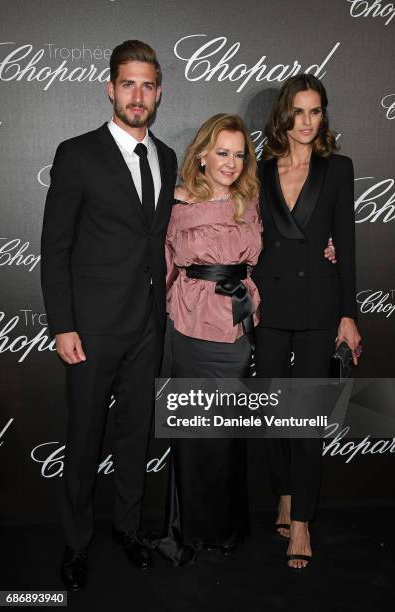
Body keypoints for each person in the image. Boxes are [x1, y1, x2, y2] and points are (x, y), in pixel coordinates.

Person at [40, 40, 177, 589]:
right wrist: (63, 324)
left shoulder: (166, 157)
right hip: (91, 328)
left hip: (149, 323)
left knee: (135, 435)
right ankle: (76, 544)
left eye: (147, 85)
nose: (138, 95)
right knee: (84, 436)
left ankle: (128, 529)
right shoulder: (76, 153)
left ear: (159, 92)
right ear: (110, 87)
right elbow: (56, 248)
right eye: (128, 83)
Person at [252, 74, 362, 569]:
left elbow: (348, 245)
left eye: (315, 111)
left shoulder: (338, 168)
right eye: (298, 111)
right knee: (276, 413)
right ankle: (283, 492)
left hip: (320, 306)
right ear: (283, 115)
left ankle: (302, 520)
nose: (307, 121)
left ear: (324, 116)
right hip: (269, 305)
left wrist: (348, 314)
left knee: (307, 417)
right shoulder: (259, 169)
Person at [156, 114, 262, 565]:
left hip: (236, 325)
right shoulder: (175, 200)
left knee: (226, 434)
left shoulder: (251, 199)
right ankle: (187, 530)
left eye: (239, 155)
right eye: (222, 152)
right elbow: (160, 264)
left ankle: (225, 529)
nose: (231, 163)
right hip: (189, 324)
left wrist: (327, 246)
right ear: (202, 154)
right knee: (192, 433)